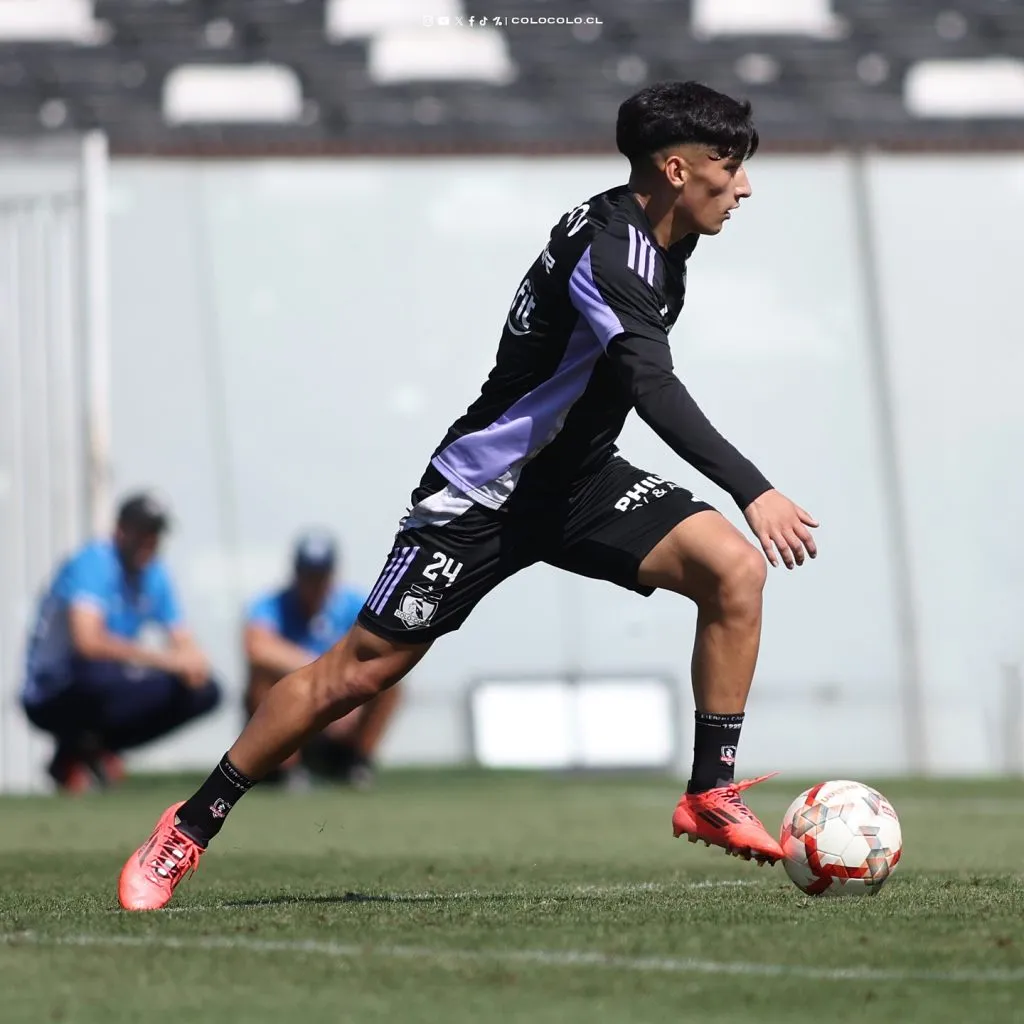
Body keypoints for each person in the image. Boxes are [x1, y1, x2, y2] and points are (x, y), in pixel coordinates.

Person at [118, 81, 819, 911]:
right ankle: (189, 826)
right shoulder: (610, 253)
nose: (744, 187)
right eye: (730, 168)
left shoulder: (663, 233)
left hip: (581, 480)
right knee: (354, 675)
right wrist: (754, 488)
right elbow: (650, 384)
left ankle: (710, 791)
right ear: (675, 169)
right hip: (484, 492)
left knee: (734, 573)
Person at [22, 492, 221, 793]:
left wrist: (193, 663)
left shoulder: (155, 575)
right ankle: (75, 749)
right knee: (98, 672)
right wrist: (170, 660)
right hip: (51, 689)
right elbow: (87, 643)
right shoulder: (92, 563)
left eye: (155, 533)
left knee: (204, 691)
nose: (149, 540)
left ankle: (93, 751)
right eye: (142, 531)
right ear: (121, 530)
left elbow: (184, 641)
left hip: (107, 682)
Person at [243, 530, 400, 788]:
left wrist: (350, 698)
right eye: (308, 576)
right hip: (288, 712)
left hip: (344, 711)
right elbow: (257, 648)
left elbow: (383, 652)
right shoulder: (272, 604)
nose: (314, 585)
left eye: (321, 576)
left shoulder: (353, 603)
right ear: (296, 574)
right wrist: (324, 682)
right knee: (261, 676)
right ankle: (289, 771)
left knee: (391, 679)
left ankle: (359, 763)